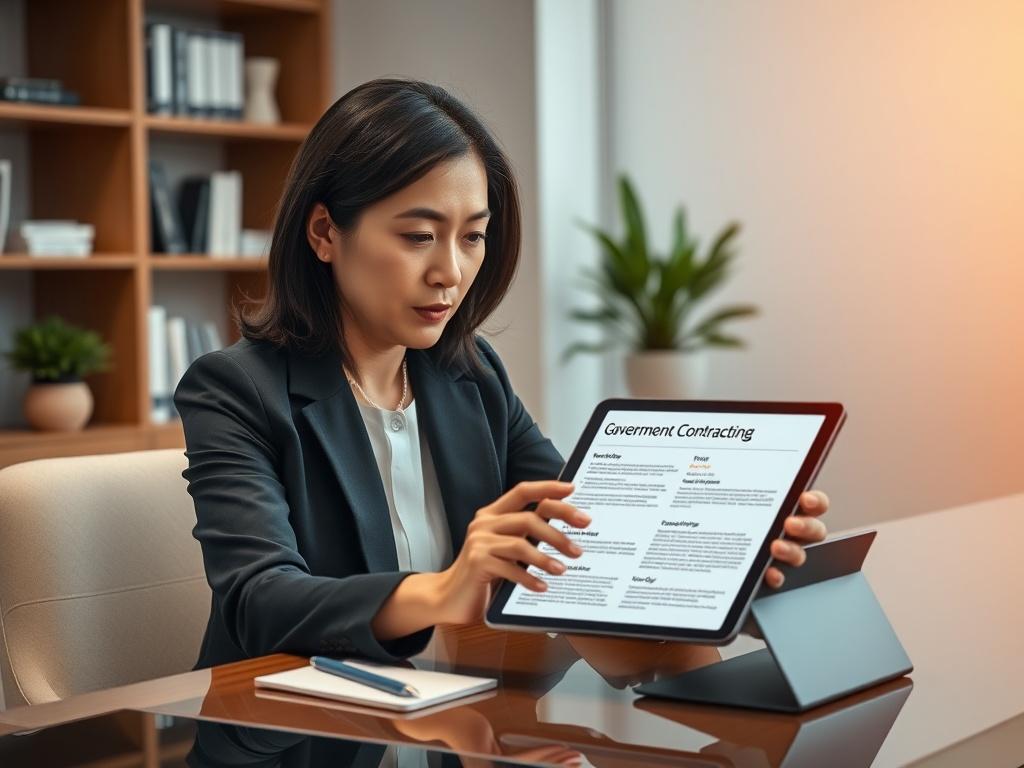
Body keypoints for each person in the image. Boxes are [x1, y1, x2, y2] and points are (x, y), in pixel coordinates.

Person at [174, 78, 830, 671]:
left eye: (472, 236)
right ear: (324, 232)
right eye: (418, 236)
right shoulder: (235, 389)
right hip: (293, 734)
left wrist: (727, 547)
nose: (450, 273)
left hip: (458, 719)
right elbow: (259, 601)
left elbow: (579, 534)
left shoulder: (471, 373)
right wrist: (444, 587)